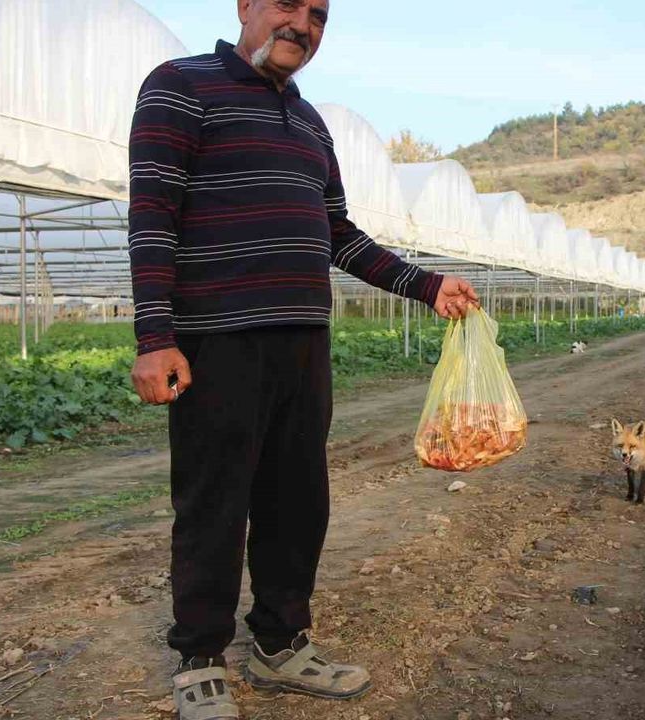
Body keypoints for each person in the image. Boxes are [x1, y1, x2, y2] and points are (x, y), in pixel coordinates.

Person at [127, 1, 478, 716]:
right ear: (246, 7)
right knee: (214, 502)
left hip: (302, 339)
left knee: (298, 501)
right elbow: (153, 212)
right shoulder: (179, 86)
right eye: (287, 5)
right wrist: (154, 336)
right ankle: (199, 657)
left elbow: (337, 234)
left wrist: (426, 283)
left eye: (319, 14)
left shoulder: (311, 123)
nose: (304, 24)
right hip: (217, 338)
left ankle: (280, 643)